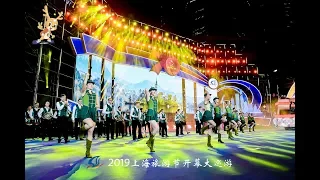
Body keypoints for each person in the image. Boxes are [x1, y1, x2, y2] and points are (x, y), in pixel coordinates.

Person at [79, 73, 98, 158]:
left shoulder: (95, 94)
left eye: (92, 84)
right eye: (89, 84)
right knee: (90, 124)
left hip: (93, 112)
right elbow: (83, 87)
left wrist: (95, 106)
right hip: (85, 111)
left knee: (91, 131)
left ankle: (88, 152)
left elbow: (98, 105)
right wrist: (86, 78)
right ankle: (81, 130)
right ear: (86, 85)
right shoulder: (84, 92)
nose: (91, 85)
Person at [144, 87, 160, 152]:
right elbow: (146, 91)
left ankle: (151, 147)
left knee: (153, 132)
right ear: (151, 92)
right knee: (157, 128)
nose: (155, 92)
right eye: (154, 91)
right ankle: (149, 141)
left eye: (155, 91)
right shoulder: (149, 98)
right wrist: (149, 92)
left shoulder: (156, 100)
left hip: (155, 115)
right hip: (150, 115)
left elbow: (156, 109)